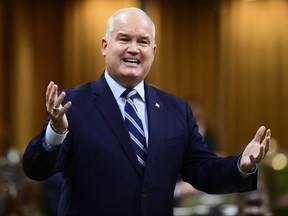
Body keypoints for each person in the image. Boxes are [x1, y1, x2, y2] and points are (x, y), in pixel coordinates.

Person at [22, 7, 271, 216]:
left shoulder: (176, 110)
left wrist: (242, 164)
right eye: (124, 39)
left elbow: (202, 170)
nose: (133, 48)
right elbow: (37, 170)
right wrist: (56, 131)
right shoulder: (72, 104)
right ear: (104, 46)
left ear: (153, 52)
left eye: (142, 41)